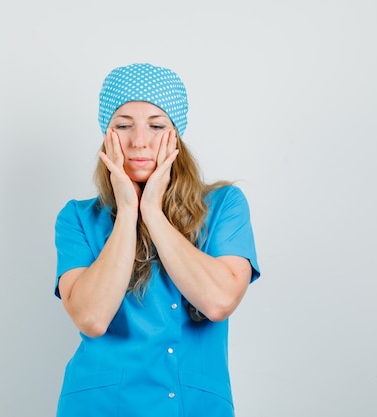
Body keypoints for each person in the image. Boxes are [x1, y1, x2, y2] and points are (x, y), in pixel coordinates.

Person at [53, 63, 261, 417]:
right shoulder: (76, 218)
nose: (139, 141)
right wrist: (128, 212)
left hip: (194, 406)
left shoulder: (225, 205)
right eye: (123, 125)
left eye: (156, 125)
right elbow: (91, 318)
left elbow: (219, 301)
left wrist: (152, 210)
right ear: (107, 135)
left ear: (176, 134)